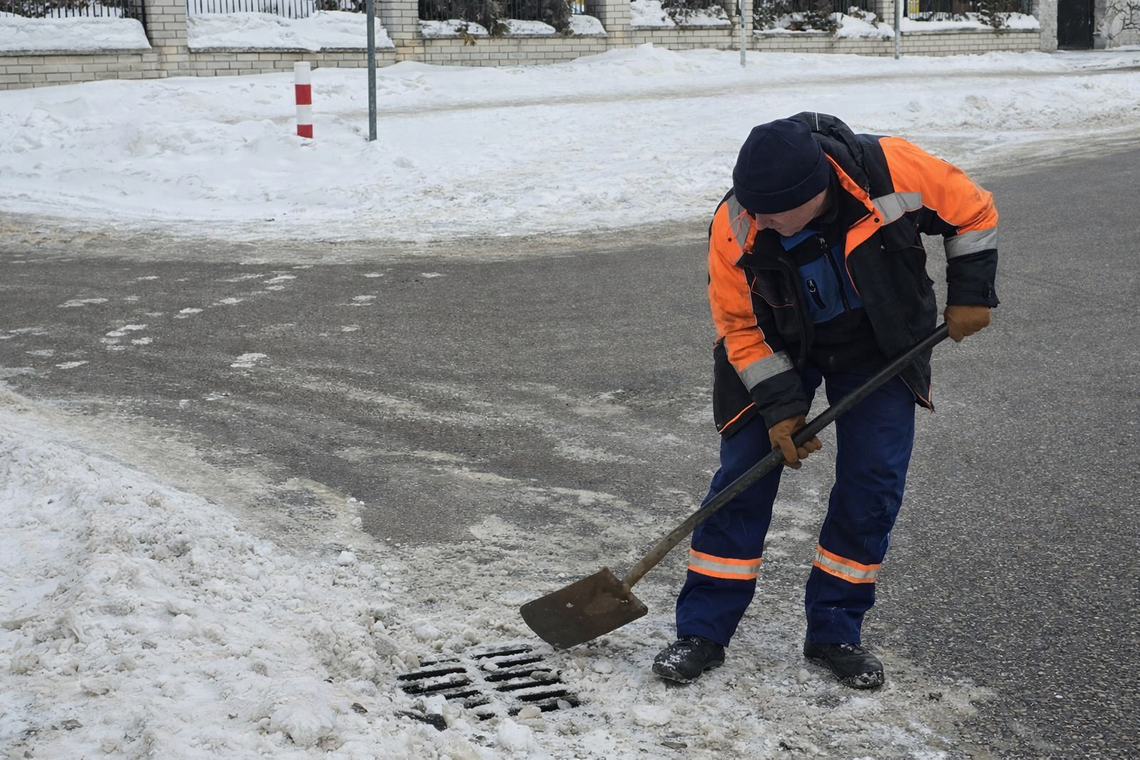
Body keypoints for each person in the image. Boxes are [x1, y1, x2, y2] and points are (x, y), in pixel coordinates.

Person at [652, 113, 998, 689]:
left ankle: (835, 631)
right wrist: (780, 404)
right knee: (744, 474)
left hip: (879, 341)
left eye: (769, 211)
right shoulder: (735, 221)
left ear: (812, 195)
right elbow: (738, 326)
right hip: (775, 342)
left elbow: (974, 210)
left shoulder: (891, 169)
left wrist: (971, 292)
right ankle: (702, 630)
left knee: (872, 481)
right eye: (750, 206)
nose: (756, 219)